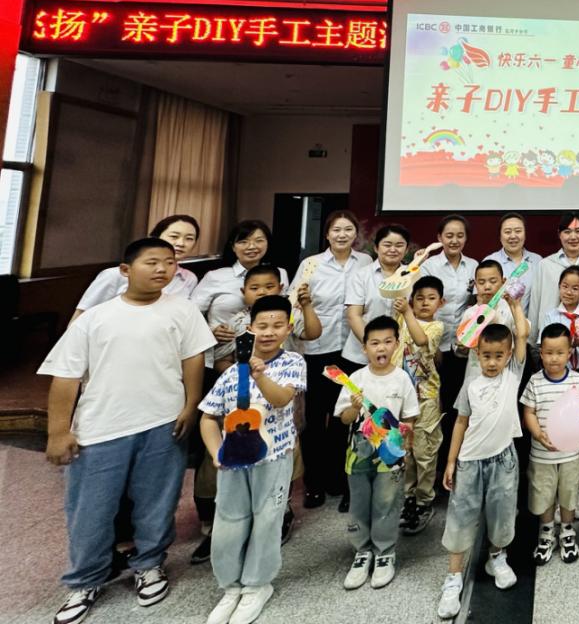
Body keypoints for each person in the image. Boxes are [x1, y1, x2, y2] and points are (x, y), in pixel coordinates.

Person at [41, 238, 215, 624]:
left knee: (158, 501)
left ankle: (149, 563)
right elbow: (65, 377)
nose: (161, 269)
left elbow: (193, 358)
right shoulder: (95, 318)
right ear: (125, 270)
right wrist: (58, 431)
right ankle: (84, 580)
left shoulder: (183, 309)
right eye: (151, 262)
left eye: (168, 263)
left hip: (163, 422)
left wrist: (190, 405)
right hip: (101, 428)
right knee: (91, 509)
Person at [191, 265, 320, 564]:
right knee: (229, 481)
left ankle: (281, 512)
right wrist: (240, 374)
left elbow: (283, 394)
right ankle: (222, 531)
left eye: (270, 286)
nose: (269, 332)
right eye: (255, 287)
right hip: (237, 412)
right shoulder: (236, 325)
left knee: (283, 466)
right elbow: (219, 363)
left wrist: (306, 306)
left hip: (281, 416)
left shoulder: (292, 348)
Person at [199, 295, 307, 624]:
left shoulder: (293, 363)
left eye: (277, 325)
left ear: (288, 328)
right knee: (228, 521)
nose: (269, 332)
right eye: (262, 325)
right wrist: (216, 452)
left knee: (267, 519)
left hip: (273, 458)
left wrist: (261, 376)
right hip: (233, 460)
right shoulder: (232, 373)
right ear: (250, 328)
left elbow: (282, 398)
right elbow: (208, 417)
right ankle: (231, 586)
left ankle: (258, 585)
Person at [437, 296, 528, 620]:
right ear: (477, 354)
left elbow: (521, 334)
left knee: (502, 511)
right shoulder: (471, 386)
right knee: (461, 516)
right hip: (470, 461)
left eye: (498, 356)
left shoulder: (512, 375)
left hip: (503, 459)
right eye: (486, 356)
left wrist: (515, 307)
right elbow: (460, 423)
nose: (492, 362)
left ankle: (496, 556)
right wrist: (451, 461)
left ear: (508, 356)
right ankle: (453, 577)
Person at [288, 211, 372, 511]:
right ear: (327, 234)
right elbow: (293, 303)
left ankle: (337, 477)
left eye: (348, 229)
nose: (342, 235)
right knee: (315, 417)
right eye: (336, 230)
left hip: (351, 350)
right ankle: (314, 483)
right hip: (318, 349)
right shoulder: (311, 264)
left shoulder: (365, 262)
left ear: (355, 235)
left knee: (343, 416)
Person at [333, 315, 420, 591]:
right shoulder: (355, 379)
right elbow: (344, 419)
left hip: (391, 452)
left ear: (396, 344)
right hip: (358, 451)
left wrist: (405, 445)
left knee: (387, 501)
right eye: (374, 343)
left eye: (387, 342)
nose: (381, 347)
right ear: (364, 347)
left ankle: (385, 552)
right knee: (359, 502)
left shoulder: (402, 378)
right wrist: (354, 407)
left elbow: (410, 418)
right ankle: (362, 551)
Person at [330, 224, 410, 511]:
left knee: (388, 420)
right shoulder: (362, 275)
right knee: (356, 421)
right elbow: (353, 314)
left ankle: (391, 481)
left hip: (398, 358)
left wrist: (389, 351)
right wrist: (374, 347)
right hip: (360, 356)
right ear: (376, 247)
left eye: (399, 245)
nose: (393, 249)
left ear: (406, 249)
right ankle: (351, 487)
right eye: (387, 244)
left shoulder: (412, 275)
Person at [520, 324, 579, 565]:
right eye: (548, 353)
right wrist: (537, 433)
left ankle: (567, 532)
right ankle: (546, 533)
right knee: (544, 495)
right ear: (541, 353)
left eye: (559, 353)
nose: (554, 358)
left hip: (570, 453)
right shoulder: (535, 381)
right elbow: (528, 412)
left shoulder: (577, 380)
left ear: (569, 353)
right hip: (541, 455)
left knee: (568, 494)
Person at [538, 265, 579, 518]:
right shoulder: (550, 316)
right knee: (558, 428)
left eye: (575, 288)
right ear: (559, 287)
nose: (569, 291)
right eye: (565, 286)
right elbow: (543, 350)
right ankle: (558, 490)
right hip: (557, 377)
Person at [422, 214, 478, 494]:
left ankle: (454, 468)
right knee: (435, 408)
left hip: (463, 349)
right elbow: (422, 304)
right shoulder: (429, 266)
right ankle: (433, 472)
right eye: (449, 235)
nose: (454, 240)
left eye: (460, 235)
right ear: (439, 238)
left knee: (459, 409)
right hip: (433, 346)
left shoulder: (474, 266)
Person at [193, 220, 290, 371]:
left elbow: (282, 312)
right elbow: (191, 314)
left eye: (259, 240)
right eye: (243, 241)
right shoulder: (215, 276)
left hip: (267, 354)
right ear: (233, 246)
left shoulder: (280, 273)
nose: (252, 246)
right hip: (223, 355)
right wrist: (210, 332)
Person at [72, 214, 202, 320]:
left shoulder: (189, 278)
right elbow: (81, 318)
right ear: (155, 237)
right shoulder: (115, 275)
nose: (181, 243)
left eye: (189, 238)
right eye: (174, 236)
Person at [394, 276, 446, 535]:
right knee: (405, 449)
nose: (425, 302)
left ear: (441, 302)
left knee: (425, 450)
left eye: (431, 298)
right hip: (401, 397)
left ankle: (424, 500)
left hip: (426, 396)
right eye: (420, 298)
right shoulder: (400, 319)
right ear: (412, 300)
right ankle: (408, 497)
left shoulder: (436, 326)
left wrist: (407, 313)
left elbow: (421, 340)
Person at [527, 212, 579, 340]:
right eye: (567, 232)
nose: (573, 237)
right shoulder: (545, 265)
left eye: (578, 231)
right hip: (550, 341)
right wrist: (532, 342)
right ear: (559, 234)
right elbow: (535, 306)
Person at [456, 259, 517, 381]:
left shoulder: (511, 309)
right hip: (475, 374)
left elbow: (521, 336)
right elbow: (462, 350)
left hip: (504, 375)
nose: (487, 286)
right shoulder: (470, 313)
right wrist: (462, 347)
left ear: (503, 282)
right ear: (475, 285)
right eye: (481, 282)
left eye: (493, 281)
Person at [485, 212, 542, 317]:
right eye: (507, 232)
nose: (513, 236)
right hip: (497, 324)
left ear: (525, 234)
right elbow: (482, 299)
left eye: (518, 231)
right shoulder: (490, 261)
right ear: (500, 236)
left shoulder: (538, 261)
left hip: (529, 325)